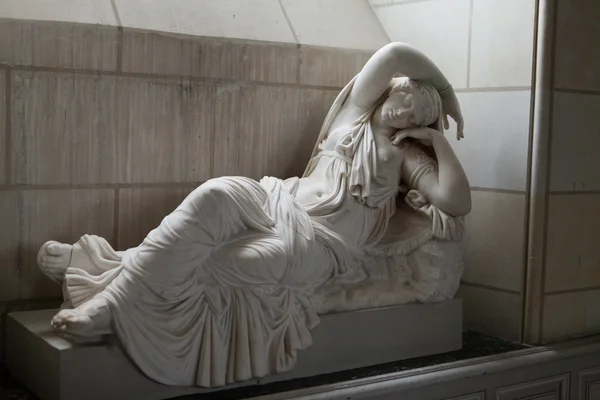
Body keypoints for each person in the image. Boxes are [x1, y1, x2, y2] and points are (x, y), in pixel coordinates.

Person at [37, 42, 470, 387]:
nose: (403, 112)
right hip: (275, 199)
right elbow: (393, 53)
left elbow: (456, 200)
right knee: (216, 193)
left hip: (318, 244)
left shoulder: (406, 159)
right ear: (389, 91)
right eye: (403, 99)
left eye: (415, 114)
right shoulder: (352, 116)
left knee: (228, 264)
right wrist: (446, 92)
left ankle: (109, 271)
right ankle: (111, 303)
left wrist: (437, 140)